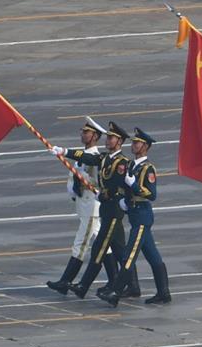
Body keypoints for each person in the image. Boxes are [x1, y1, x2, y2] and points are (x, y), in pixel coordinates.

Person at [51, 121, 138, 299]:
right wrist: (64, 151)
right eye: (107, 137)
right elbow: (88, 158)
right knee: (118, 249)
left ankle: (78, 284)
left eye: (111, 138)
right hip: (104, 207)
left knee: (96, 246)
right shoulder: (105, 158)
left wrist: (110, 195)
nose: (108, 140)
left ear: (119, 141)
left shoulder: (122, 162)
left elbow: (119, 185)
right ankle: (128, 285)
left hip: (111, 208)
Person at [99, 127, 171, 307]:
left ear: (145, 146)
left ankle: (115, 292)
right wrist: (123, 198)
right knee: (153, 256)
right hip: (133, 213)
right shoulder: (131, 165)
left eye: (137, 143)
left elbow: (152, 195)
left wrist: (136, 188)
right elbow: (124, 187)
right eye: (133, 142)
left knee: (128, 255)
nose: (134, 145)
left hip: (142, 215)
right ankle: (164, 293)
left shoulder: (148, 169)